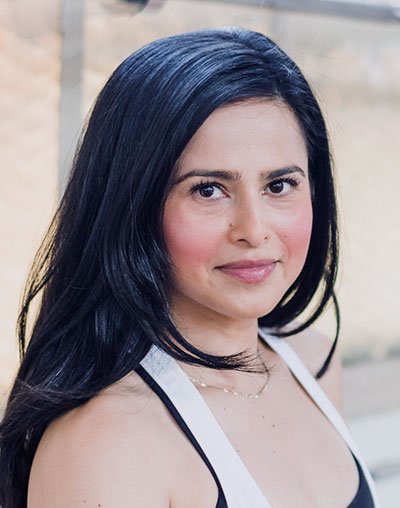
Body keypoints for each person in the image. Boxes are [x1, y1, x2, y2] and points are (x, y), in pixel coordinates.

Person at [0, 27, 380, 508]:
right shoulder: (108, 443)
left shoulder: (312, 362)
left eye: (279, 185)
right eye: (208, 190)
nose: (253, 229)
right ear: (133, 205)